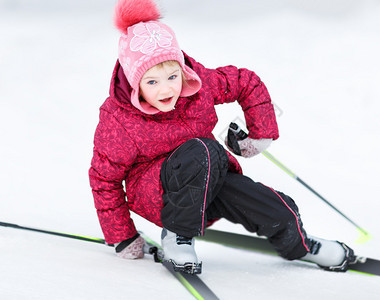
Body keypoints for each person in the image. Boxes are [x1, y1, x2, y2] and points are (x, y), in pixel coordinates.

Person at [89, 0, 355, 274]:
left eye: (172, 76)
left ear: (182, 70)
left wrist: (259, 135)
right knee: (206, 150)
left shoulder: (200, 86)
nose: (166, 89)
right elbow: (103, 180)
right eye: (152, 82)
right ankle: (177, 235)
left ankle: (301, 246)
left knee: (276, 207)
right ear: (135, 84)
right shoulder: (120, 119)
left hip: (207, 178)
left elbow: (245, 82)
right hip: (158, 195)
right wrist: (123, 237)